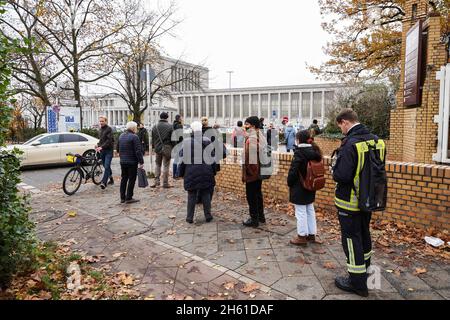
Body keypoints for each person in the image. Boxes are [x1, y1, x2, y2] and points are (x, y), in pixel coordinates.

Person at [332, 108, 386, 297]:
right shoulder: (378, 141)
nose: (341, 131)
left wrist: (334, 167)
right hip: (370, 199)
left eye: (340, 127)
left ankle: (357, 283)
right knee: (364, 234)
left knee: (351, 239)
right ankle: (366, 271)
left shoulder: (350, 144)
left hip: (350, 202)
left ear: (345, 122)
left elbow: (341, 175)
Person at [287, 130, 323, 246]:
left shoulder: (300, 153)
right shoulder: (315, 151)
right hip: (311, 185)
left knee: (301, 212)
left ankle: (301, 236)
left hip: (300, 186)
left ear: (298, 140)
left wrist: (289, 182)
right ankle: (312, 235)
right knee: (310, 210)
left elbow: (293, 170)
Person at [178, 121, 215, 224]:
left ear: (192, 130)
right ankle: (208, 216)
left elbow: (182, 158)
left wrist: (181, 173)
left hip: (191, 171)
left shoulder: (186, 142)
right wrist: (213, 171)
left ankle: (189, 217)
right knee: (206, 193)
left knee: (191, 195)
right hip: (206, 170)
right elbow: (212, 157)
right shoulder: (207, 140)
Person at [242, 116, 266, 228]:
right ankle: (261, 216)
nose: (245, 126)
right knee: (258, 194)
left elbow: (250, 157)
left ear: (254, 126)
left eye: (247, 124)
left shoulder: (252, 138)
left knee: (251, 196)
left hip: (253, 172)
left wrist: (249, 171)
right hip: (259, 170)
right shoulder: (260, 135)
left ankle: (254, 219)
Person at [117, 121, 144, 204]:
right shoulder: (134, 137)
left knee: (124, 179)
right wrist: (141, 162)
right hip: (132, 161)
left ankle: (122, 197)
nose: (136, 129)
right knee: (132, 179)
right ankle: (129, 197)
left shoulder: (121, 136)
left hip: (123, 161)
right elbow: (138, 151)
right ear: (133, 128)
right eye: (136, 127)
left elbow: (118, 148)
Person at [151, 112, 174, 188]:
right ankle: (165, 183)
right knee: (166, 166)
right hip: (167, 148)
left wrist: (154, 147)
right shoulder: (170, 126)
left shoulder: (155, 126)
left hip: (157, 148)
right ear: (167, 117)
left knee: (157, 165)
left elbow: (153, 139)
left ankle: (156, 182)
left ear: (160, 117)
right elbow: (173, 139)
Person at [96, 116, 114, 189]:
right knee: (106, 166)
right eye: (100, 121)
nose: (101, 123)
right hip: (102, 151)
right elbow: (101, 140)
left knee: (106, 166)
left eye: (102, 121)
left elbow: (109, 141)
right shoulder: (100, 130)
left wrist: (101, 147)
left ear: (106, 121)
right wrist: (97, 145)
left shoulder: (109, 129)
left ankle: (104, 182)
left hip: (108, 151)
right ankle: (111, 178)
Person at [172, 114, 184, 179]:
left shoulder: (173, 125)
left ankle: (174, 174)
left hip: (174, 143)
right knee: (180, 159)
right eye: (181, 118)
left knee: (175, 160)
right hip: (179, 143)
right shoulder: (179, 126)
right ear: (179, 119)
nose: (182, 119)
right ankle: (177, 174)